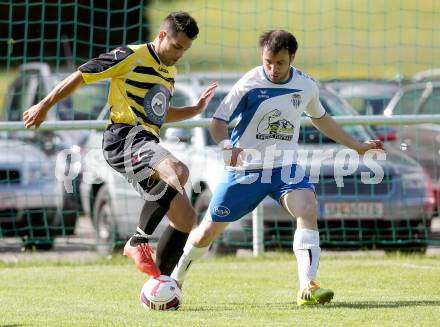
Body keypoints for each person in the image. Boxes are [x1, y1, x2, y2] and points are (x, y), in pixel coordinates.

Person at [170, 30, 384, 305]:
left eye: (279, 63)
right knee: (208, 230)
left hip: (284, 169)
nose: (272, 68)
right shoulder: (249, 82)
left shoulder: (306, 85)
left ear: (292, 57)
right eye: (268, 61)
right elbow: (218, 121)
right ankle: (176, 279)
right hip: (245, 171)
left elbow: (321, 118)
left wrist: (356, 146)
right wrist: (227, 147)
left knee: (307, 207)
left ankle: (307, 285)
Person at [23, 11, 218, 278]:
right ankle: (138, 241)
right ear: (162, 36)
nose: (179, 54)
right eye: (176, 46)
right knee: (179, 170)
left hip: (146, 142)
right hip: (124, 137)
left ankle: (161, 286)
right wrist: (44, 105)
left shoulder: (169, 71)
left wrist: (194, 110)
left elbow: (158, 113)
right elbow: (81, 75)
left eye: (185, 49)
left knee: (185, 217)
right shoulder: (131, 56)